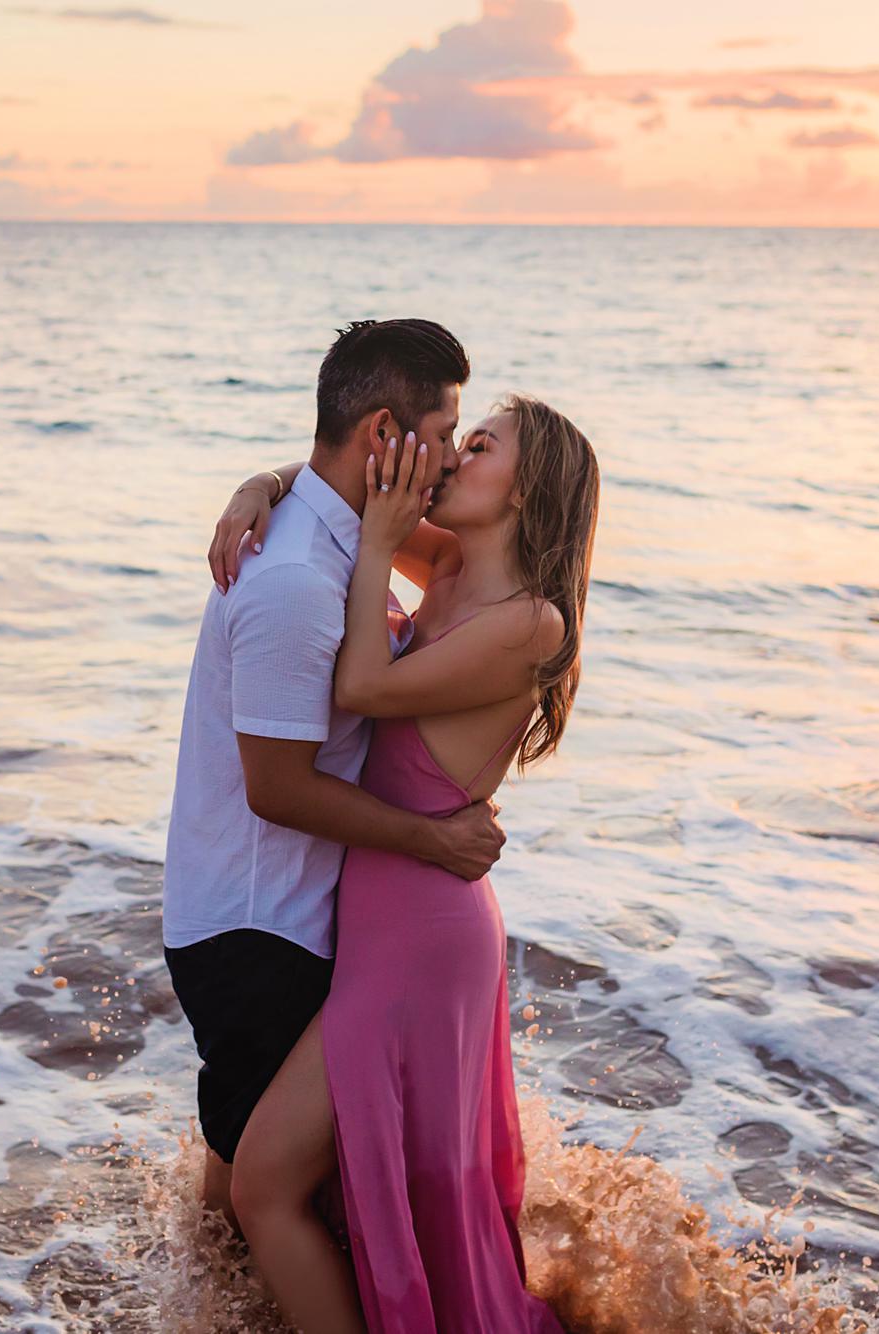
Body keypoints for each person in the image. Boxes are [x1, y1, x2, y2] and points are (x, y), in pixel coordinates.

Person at [208, 392, 600, 1333]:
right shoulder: (454, 562)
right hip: (378, 913)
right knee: (334, 1185)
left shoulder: (530, 622)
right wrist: (255, 487)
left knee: (264, 1185)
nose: (453, 455)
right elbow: (337, 495)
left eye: (479, 445)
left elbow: (361, 686)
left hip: (424, 932)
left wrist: (382, 542)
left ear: (528, 484)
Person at [159, 319, 509, 1281]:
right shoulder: (298, 583)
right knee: (281, 1198)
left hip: (274, 916)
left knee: (247, 1183)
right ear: (387, 432)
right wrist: (431, 840)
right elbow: (277, 789)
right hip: (258, 931)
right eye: (443, 431)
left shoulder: (336, 534)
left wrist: (261, 479)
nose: (449, 454)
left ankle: (204, 1305)